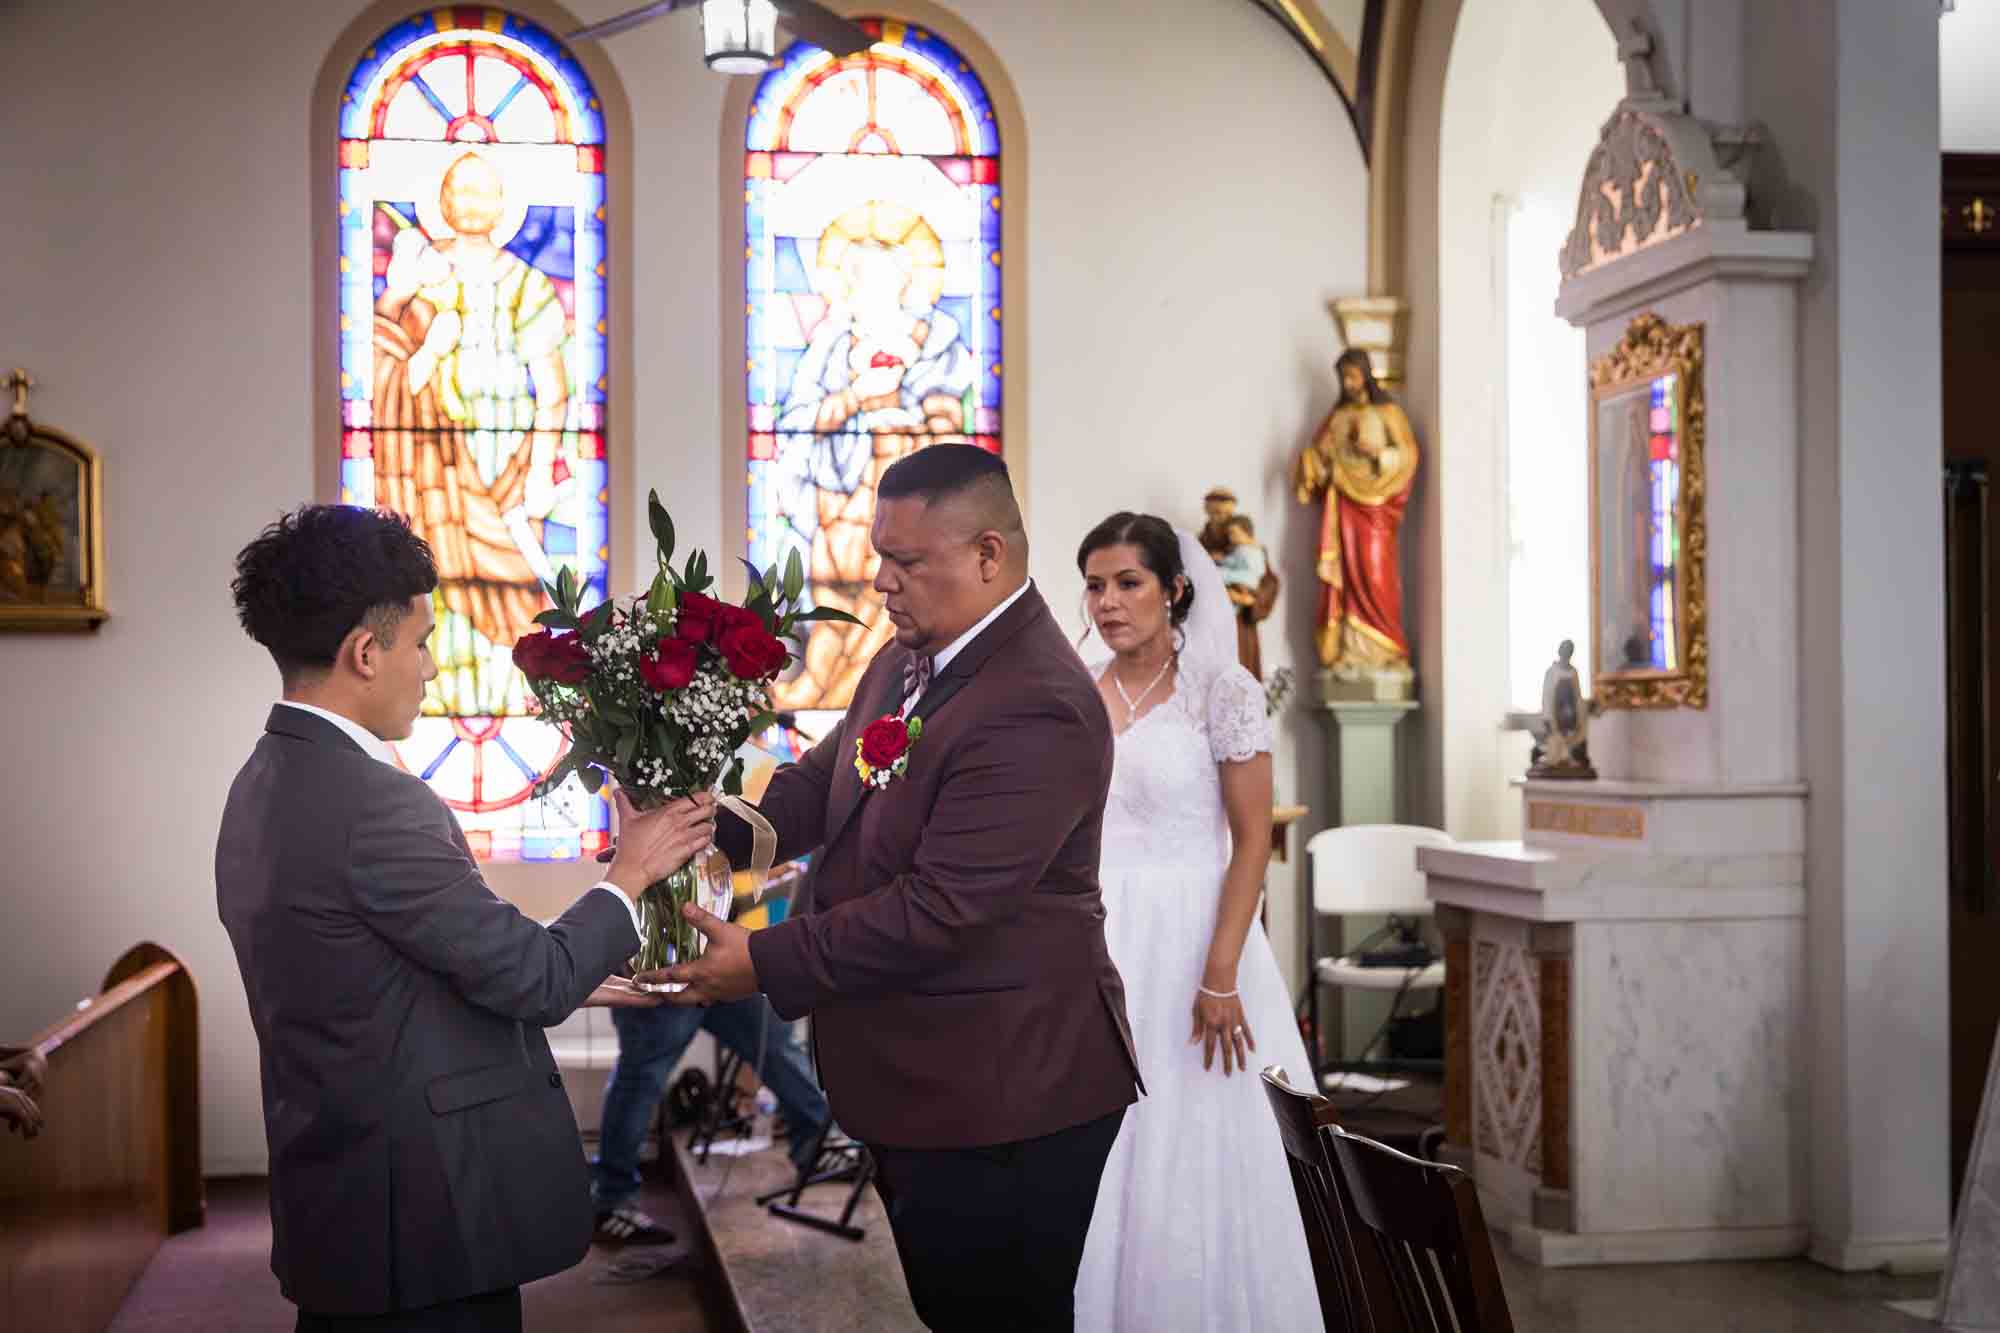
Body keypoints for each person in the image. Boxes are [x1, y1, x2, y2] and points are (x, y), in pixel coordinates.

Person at [649, 444, 1142, 1332]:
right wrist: (693, 823)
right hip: (929, 1078)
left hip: (1008, 1096)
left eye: (908, 561)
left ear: (989, 556)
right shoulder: (909, 657)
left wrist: (760, 959)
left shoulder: (1037, 701)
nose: (882, 581)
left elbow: (940, 908)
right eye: (881, 555)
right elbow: (821, 787)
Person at [217, 504, 715, 1333]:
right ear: (365, 653)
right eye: (421, 642)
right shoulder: (376, 803)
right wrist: (632, 873)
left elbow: (378, 975)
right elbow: (534, 977)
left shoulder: (264, 778)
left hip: (346, 1188)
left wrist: (594, 977)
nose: (433, 668)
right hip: (420, 1213)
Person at [1071, 512, 1321, 1331]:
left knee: (1193, 1138)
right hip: (1094, 938)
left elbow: (1252, 841)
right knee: (1096, 1144)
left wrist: (1220, 971)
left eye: (1128, 582)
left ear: (1175, 589)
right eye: (1096, 584)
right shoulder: (1076, 685)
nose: (1108, 602)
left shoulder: (1225, 688)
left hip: (1193, 938)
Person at [589, 995, 832, 1245]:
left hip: (727, 967)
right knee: (639, 1081)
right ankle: (612, 1198)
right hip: (663, 965)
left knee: (776, 1045)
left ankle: (817, 1148)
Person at [1293, 348, 1420, 676]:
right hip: (1344, 508)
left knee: (1377, 572)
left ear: (1365, 374)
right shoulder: (1337, 418)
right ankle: (1350, 650)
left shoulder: (1388, 413)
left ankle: (1385, 648)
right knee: (1347, 577)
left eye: (1352, 375)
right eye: (1344, 378)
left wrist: (1379, 454)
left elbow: (1408, 455)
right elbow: (1319, 458)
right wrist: (1312, 462)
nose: (1349, 383)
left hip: (1377, 511)